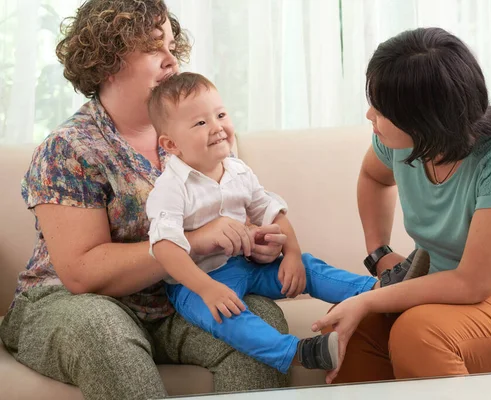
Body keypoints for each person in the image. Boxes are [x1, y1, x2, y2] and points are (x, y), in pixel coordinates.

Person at [0, 1, 293, 399]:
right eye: (155, 47)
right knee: (101, 329)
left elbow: (230, 213)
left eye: (173, 46)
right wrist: (196, 240)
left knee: (259, 319)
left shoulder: (198, 128)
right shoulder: (69, 148)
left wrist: (251, 240)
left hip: (173, 301)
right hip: (71, 305)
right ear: (107, 60)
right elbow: (82, 273)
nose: (172, 61)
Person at [312, 27, 491, 385]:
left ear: (424, 119)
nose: (369, 115)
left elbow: (473, 284)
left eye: (381, 107)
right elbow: (373, 177)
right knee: (347, 329)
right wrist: (378, 252)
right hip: (446, 291)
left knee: (418, 333)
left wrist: (370, 299)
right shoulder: (401, 141)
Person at [145, 72, 380, 374]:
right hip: (196, 282)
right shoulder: (170, 188)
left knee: (307, 267)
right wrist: (207, 289)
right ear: (171, 144)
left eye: (220, 115)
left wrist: (292, 255)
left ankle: (377, 290)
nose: (217, 127)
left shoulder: (238, 171)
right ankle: (302, 352)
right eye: (201, 123)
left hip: (244, 265)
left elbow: (272, 211)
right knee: (225, 317)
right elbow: (164, 248)